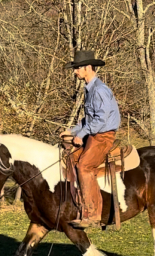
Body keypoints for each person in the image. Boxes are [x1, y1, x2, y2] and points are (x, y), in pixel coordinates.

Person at [60, 50, 121, 229]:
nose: (75, 72)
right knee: (72, 158)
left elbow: (101, 119)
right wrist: (72, 131)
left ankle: (93, 215)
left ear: (87, 68)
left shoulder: (99, 90)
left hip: (103, 136)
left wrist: (82, 134)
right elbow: (89, 119)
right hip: (95, 133)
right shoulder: (91, 89)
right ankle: (78, 206)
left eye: (77, 68)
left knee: (85, 167)